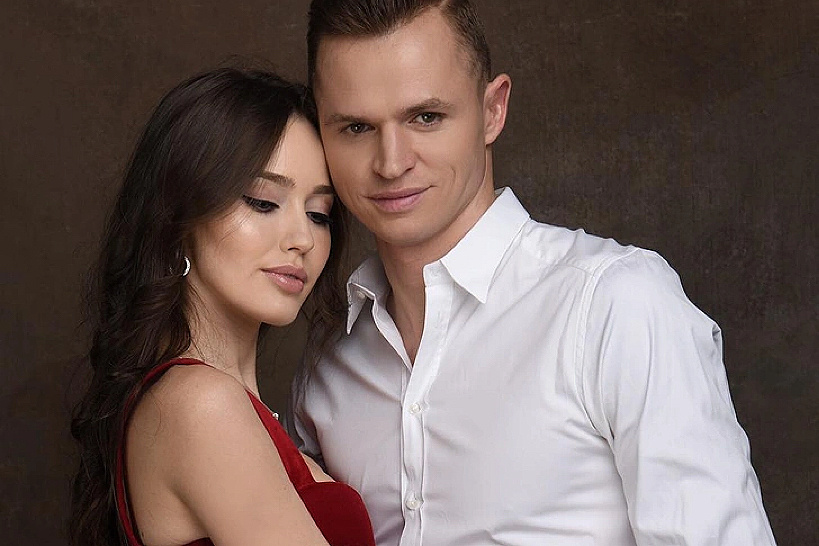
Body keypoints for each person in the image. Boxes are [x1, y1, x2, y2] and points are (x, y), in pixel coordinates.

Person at [290, 1, 778, 544]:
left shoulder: (615, 306)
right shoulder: (330, 361)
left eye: (426, 117)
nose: (391, 162)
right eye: (356, 127)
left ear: (492, 110)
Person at [69, 67, 375, 546]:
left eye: (319, 214)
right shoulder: (202, 405)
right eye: (263, 202)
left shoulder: (214, 404)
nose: (302, 239)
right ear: (179, 219)